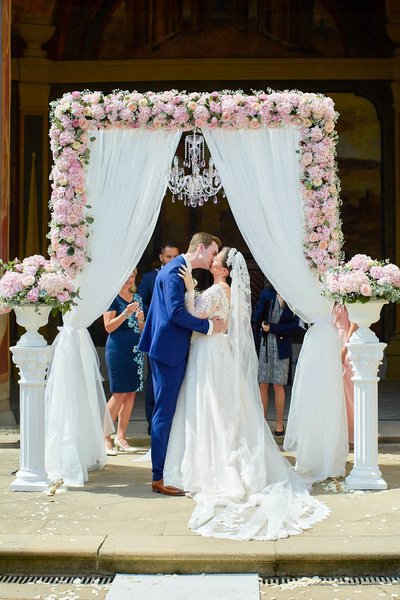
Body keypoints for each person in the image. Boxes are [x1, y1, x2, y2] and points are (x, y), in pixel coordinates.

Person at [164, 247, 329, 541]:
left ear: (224, 270)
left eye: (216, 259)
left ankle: (215, 462)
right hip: (215, 350)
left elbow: (194, 314)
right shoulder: (225, 290)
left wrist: (189, 288)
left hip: (209, 351)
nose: (212, 260)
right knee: (216, 404)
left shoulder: (217, 290)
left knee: (210, 404)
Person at [138, 232, 225, 496]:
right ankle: (158, 477)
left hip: (165, 347)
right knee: (164, 412)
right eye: (212, 252)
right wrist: (209, 326)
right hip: (168, 350)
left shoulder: (177, 269)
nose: (212, 259)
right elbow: (175, 313)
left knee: (166, 411)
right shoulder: (175, 272)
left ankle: (167, 469)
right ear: (201, 248)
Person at [138, 242, 180, 434]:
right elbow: (140, 302)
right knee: (152, 380)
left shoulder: (183, 276)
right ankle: (151, 423)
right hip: (155, 332)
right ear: (161, 257)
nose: (172, 260)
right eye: (168, 257)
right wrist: (157, 313)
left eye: (175, 257)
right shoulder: (149, 278)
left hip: (177, 337)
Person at [103, 269, 145, 455]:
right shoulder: (112, 297)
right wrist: (126, 313)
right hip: (118, 349)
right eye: (126, 275)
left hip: (135, 350)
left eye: (132, 276)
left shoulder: (137, 297)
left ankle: (121, 437)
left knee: (131, 394)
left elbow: (142, 329)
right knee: (119, 394)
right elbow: (108, 327)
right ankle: (104, 438)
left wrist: (142, 320)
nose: (129, 279)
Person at [252, 286, 299, 436]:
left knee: (279, 385)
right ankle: (262, 422)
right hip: (265, 346)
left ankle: (279, 424)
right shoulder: (267, 294)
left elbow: (294, 326)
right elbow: (257, 317)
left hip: (282, 346)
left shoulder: (292, 297)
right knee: (263, 383)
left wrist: (272, 328)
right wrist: (256, 339)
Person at [332, 304, 358, 445]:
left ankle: (353, 429)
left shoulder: (347, 298)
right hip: (332, 340)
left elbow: (354, 324)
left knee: (348, 388)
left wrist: (345, 348)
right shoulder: (331, 299)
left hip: (344, 342)